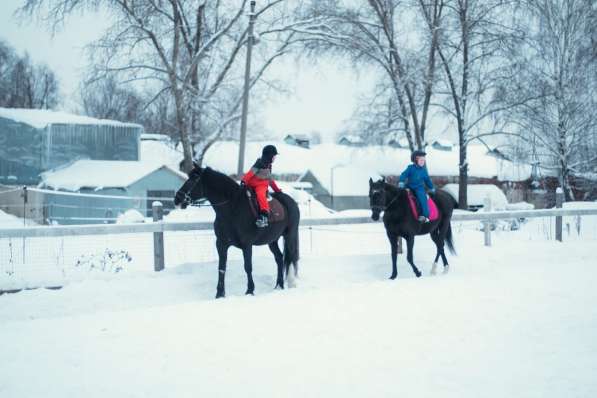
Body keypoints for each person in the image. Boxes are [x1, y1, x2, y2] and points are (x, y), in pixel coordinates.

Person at [241, 145, 282, 228]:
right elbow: (250, 173)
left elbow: (270, 180)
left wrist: (277, 190)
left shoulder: (269, 165)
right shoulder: (259, 164)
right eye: (274, 156)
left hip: (261, 186)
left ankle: (264, 215)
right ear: (269, 156)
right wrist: (243, 181)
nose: (275, 158)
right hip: (251, 184)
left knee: (260, 195)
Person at [398, 150, 436, 223]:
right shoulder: (410, 168)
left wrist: (431, 187)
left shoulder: (423, 170)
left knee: (423, 198)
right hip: (409, 186)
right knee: (401, 195)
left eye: (423, 160)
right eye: (421, 160)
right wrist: (401, 181)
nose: (423, 162)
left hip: (419, 188)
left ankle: (424, 216)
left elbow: (427, 180)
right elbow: (404, 174)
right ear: (415, 160)